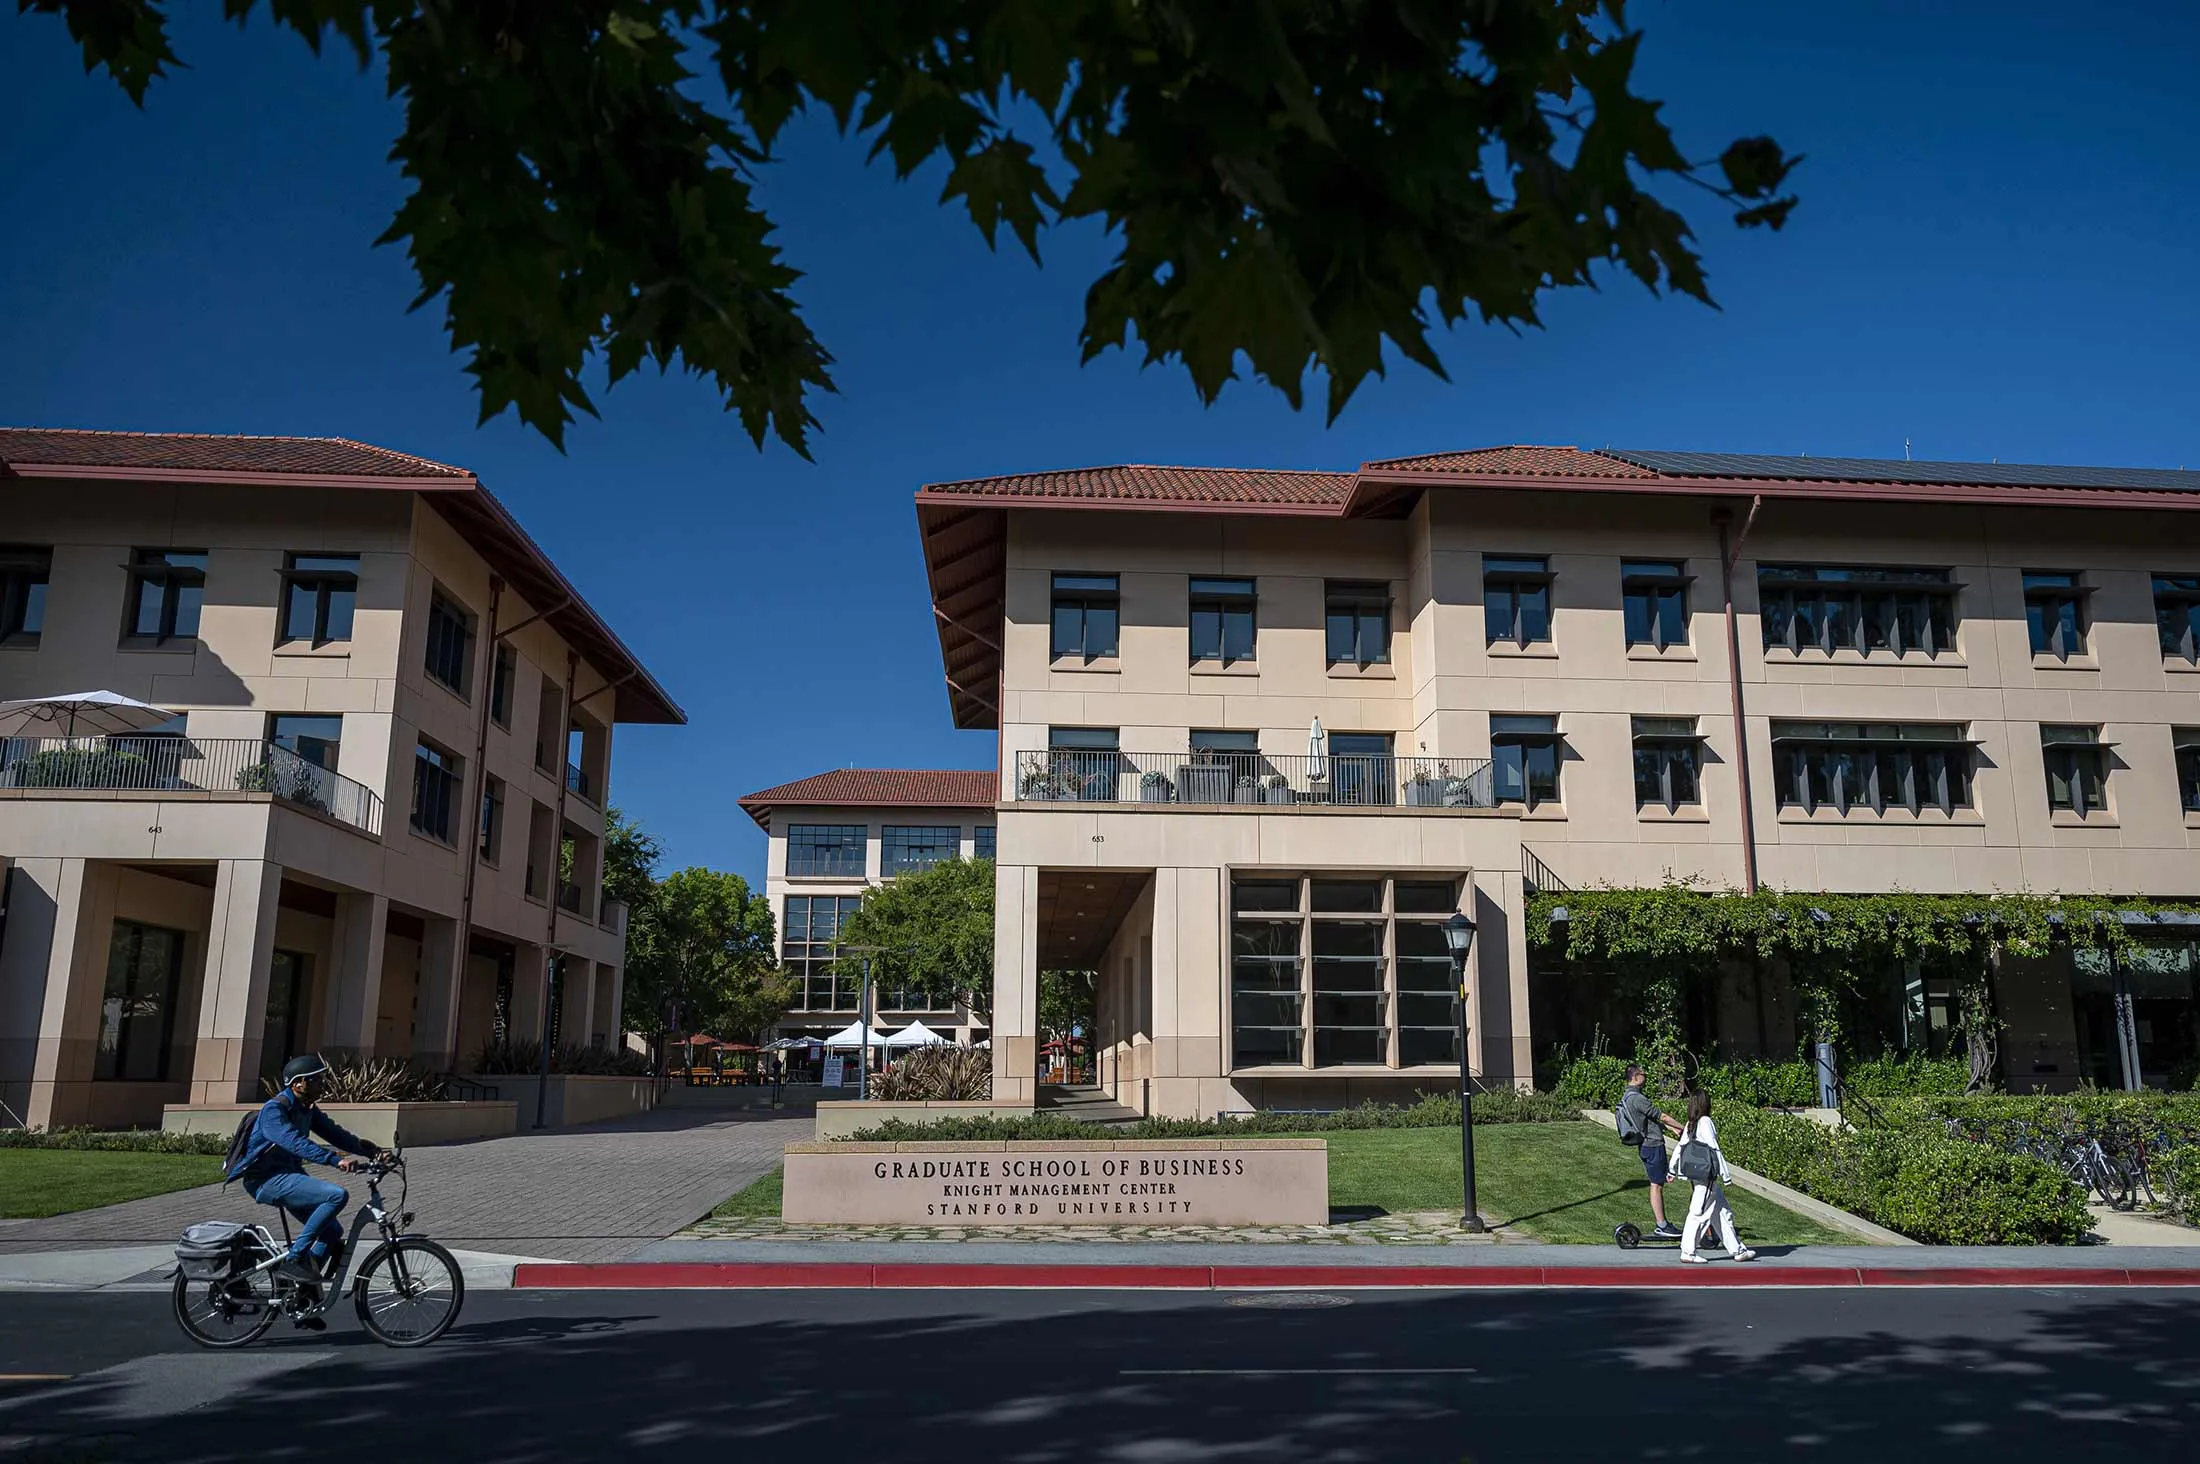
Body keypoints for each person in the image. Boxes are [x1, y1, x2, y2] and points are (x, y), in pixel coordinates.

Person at [230, 1054, 386, 1289]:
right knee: (336, 1195)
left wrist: (373, 1152)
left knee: (332, 1230)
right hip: (265, 1180)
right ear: (298, 1083)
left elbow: (336, 1134)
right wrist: (334, 1160)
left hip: (290, 1176)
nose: (322, 1083)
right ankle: (294, 1261)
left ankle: (302, 1294)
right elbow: (292, 1141)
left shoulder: (307, 1109)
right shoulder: (274, 1110)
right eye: (316, 1079)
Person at [1674, 1089, 1756, 1264]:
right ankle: (1688, 1251)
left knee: (1722, 1212)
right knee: (1698, 1212)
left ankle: (1738, 1250)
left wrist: (1672, 1170)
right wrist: (1725, 1174)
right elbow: (1714, 1148)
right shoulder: (1705, 1122)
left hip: (1697, 1173)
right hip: (1707, 1175)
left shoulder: (1691, 1123)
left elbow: (1680, 1147)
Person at [1617, 1064, 1686, 1239]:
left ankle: (1663, 1224)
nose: (1645, 1077)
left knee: (1657, 1183)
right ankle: (1662, 1224)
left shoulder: (1629, 1096)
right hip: (1652, 1145)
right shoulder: (1637, 1099)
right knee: (1656, 1185)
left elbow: (1650, 1120)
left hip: (1647, 1145)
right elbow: (1661, 1115)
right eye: (1643, 1074)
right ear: (1635, 1077)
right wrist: (1683, 1127)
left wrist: (1672, 1130)